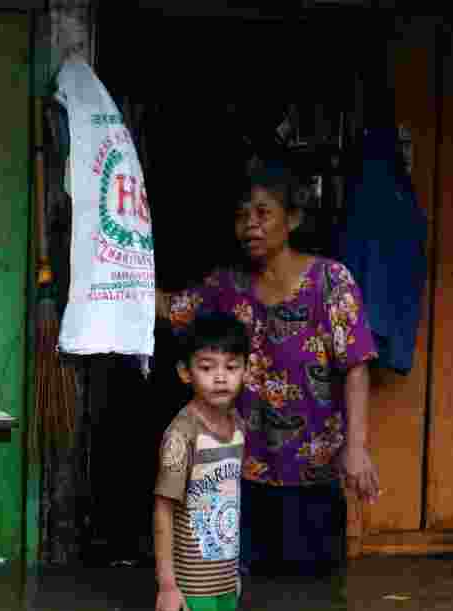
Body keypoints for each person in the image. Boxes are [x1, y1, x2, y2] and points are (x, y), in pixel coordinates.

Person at [156, 160, 381, 579]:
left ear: (292, 218)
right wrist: (115, 277)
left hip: (313, 477)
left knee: (314, 603)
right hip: (240, 474)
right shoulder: (226, 287)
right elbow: (172, 309)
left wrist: (356, 447)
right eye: (242, 215)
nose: (250, 225)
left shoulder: (330, 282)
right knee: (243, 591)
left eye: (263, 213)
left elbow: (356, 366)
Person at [155, 312, 249, 611]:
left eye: (231, 367)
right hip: (191, 586)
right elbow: (163, 509)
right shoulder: (182, 435)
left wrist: (232, 571)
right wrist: (168, 586)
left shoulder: (239, 426)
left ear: (245, 370)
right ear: (185, 372)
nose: (220, 377)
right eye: (207, 368)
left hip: (225, 577)